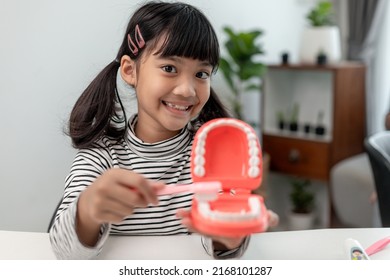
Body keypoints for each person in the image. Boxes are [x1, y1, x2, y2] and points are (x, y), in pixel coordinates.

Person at [49, 1, 278, 260]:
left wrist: (226, 238)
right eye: (170, 69)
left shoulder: (211, 157)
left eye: (201, 74)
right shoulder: (101, 156)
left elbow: (224, 249)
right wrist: (88, 210)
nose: (187, 90)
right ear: (129, 70)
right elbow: (64, 252)